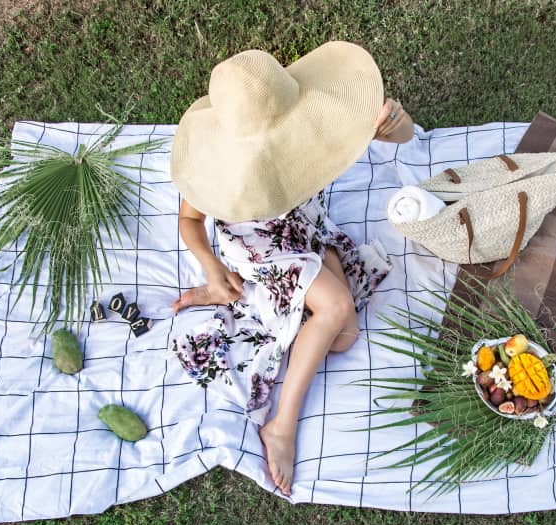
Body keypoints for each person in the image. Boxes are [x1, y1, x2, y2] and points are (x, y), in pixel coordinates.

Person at [168, 41, 414, 496]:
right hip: (259, 244)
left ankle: (237, 294)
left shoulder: (312, 117)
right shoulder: (217, 164)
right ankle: (282, 423)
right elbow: (189, 220)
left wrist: (397, 124)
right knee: (337, 306)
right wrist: (207, 262)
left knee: (344, 337)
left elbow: (399, 135)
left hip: (308, 228)